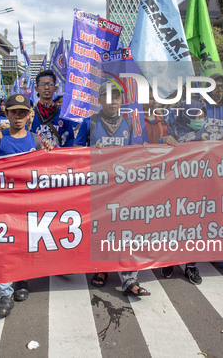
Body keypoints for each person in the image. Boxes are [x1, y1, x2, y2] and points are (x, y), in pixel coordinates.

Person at [0, 94, 52, 317]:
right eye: (13, 112)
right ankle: (6, 292)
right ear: (5, 113)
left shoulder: (36, 140)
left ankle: (23, 281)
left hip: (29, 204)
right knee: (4, 249)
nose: (17, 117)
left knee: (26, 245)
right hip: (3, 205)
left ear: (29, 115)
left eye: (22, 112)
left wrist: (47, 152)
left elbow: (46, 172)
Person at [75, 82, 151, 297]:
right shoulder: (89, 122)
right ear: (99, 101)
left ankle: (130, 279)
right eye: (108, 97)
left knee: (125, 230)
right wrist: (90, 150)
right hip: (97, 186)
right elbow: (74, 149)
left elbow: (136, 151)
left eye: (117, 97)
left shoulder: (128, 122)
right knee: (101, 229)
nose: (113, 101)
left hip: (122, 186)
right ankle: (102, 270)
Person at [158, 101, 209, 284]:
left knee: (194, 228)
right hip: (176, 188)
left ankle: (191, 266)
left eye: (202, 115)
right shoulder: (174, 134)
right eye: (196, 116)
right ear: (186, 116)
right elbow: (156, 151)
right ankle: (170, 261)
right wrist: (162, 141)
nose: (200, 119)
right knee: (174, 227)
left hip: (199, 188)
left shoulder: (209, 134)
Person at [30, 70, 75, 148]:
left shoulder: (63, 115)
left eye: (50, 84)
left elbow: (70, 139)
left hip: (58, 158)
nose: (46, 87)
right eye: (42, 84)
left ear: (55, 88)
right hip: (37, 157)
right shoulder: (30, 115)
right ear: (36, 88)